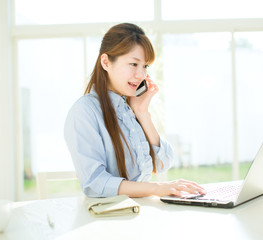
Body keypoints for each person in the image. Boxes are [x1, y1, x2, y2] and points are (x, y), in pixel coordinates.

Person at [64, 23, 206, 198]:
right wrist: (156, 188)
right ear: (106, 62)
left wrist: (142, 113)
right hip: (109, 219)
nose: (141, 75)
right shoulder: (84, 112)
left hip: (141, 211)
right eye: (133, 64)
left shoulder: (129, 109)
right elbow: (95, 183)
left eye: (145, 66)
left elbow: (164, 162)